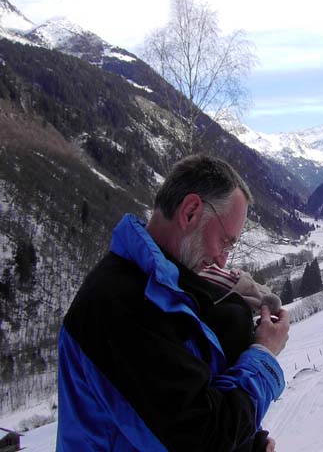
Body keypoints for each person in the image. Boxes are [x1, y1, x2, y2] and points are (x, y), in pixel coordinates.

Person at [56, 155, 290, 451]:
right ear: (190, 212)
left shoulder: (164, 288)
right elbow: (201, 438)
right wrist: (264, 355)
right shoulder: (121, 304)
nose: (223, 259)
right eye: (225, 241)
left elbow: (190, 401)